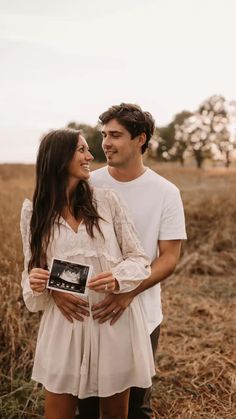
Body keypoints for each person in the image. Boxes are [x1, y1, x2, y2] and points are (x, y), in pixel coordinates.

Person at [53, 104, 187, 419]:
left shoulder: (166, 192)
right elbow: (65, 247)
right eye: (103, 135)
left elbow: (169, 258)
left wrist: (128, 291)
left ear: (140, 139)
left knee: (136, 408)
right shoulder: (87, 183)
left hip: (142, 312)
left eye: (115, 135)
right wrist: (56, 289)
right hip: (88, 315)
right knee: (86, 406)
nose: (106, 143)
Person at [20, 128, 156, 419]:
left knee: (114, 416)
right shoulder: (34, 212)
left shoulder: (107, 201)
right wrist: (42, 285)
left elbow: (139, 258)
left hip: (111, 320)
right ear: (58, 158)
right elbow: (32, 270)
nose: (91, 156)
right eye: (81, 150)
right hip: (67, 324)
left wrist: (118, 278)